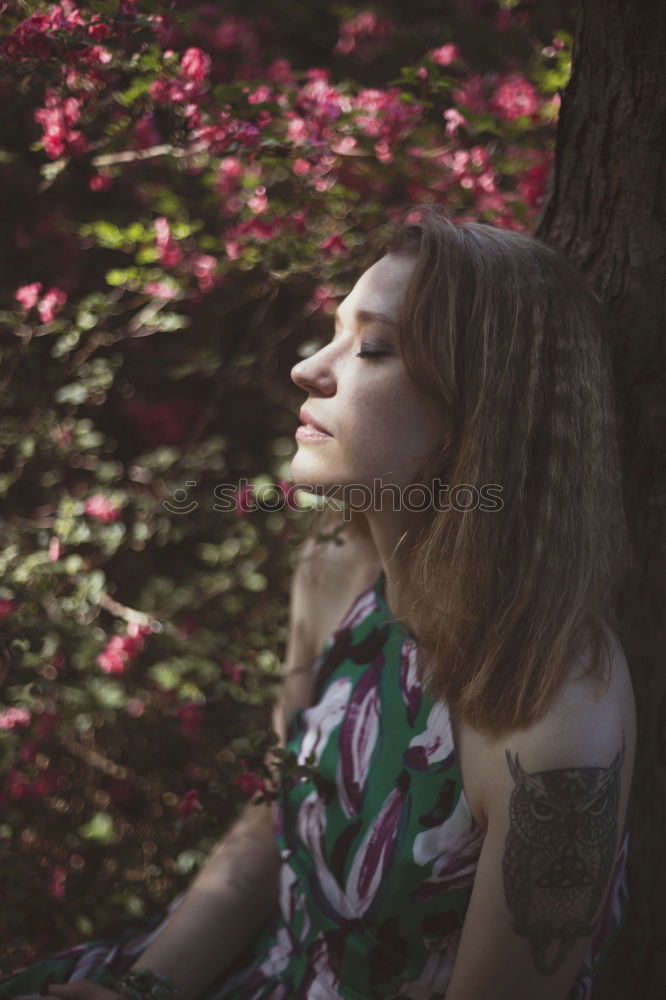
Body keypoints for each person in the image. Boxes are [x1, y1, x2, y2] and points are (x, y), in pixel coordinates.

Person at [1, 205, 636, 1000]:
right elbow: (276, 815)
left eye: (370, 347)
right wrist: (146, 987)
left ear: (477, 410)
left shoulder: (553, 709)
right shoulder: (336, 571)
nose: (308, 367)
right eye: (334, 331)